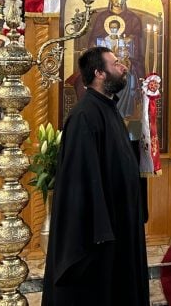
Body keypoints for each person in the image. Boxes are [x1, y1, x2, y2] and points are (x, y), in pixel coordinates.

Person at [42, 46, 149, 305]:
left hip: (120, 218)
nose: (123, 67)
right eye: (115, 64)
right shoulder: (84, 115)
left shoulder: (107, 108)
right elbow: (81, 179)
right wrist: (100, 228)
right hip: (102, 228)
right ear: (99, 73)